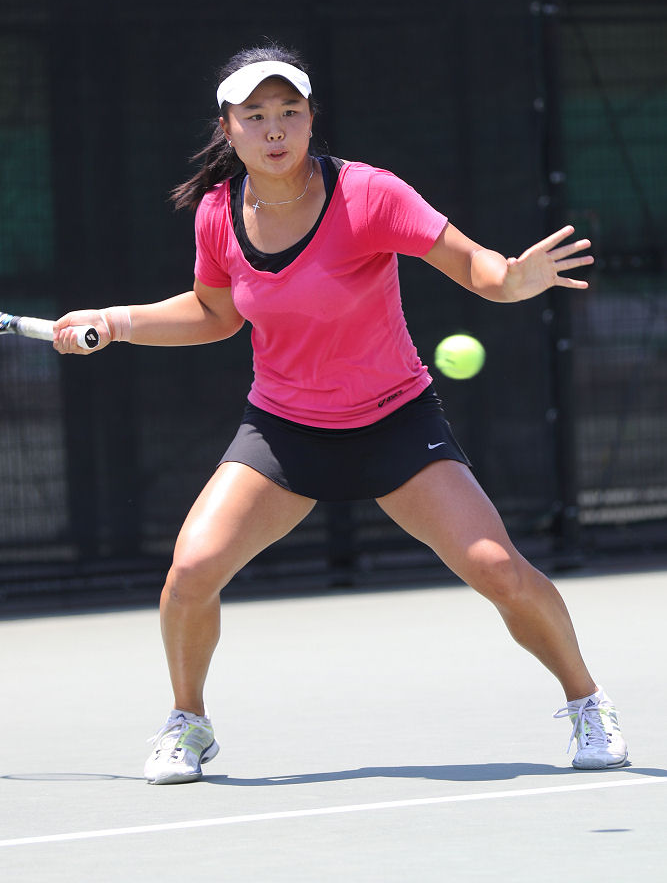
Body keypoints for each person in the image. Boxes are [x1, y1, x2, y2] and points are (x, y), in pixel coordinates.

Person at [54, 42, 628, 785]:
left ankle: (586, 701)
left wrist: (512, 280)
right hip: (284, 431)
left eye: (288, 111)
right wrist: (117, 321)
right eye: (254, 114)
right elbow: (214, 314)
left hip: (395, 422)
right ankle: (187, 721)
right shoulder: (217, 214)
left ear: (309, 117)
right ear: (227, 128)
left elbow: (474, 266)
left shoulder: (369, 194)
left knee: (498, 569)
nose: (274, 129)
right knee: (190, 571)